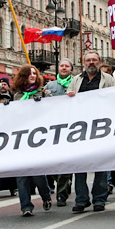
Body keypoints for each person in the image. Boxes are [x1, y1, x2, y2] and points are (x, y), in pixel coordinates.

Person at [66, 51, 115, 213]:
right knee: (79, 165)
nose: (91, 63)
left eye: (94, 60)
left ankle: (99, 198)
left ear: (99, 62)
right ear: (83, 62)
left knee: (100, 164)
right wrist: (69, 96)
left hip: (101, 127)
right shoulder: (76, 80)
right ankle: (81, 199)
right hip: (80, 128)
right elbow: (67, 103)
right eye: (88, 60)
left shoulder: (108, 80)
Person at [13, 65, 52, 216]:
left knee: (37, 173)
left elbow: (52, 108)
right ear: (23, 76)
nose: (33, 76)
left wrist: (43, 100)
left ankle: (46, 195)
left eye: (34, 73)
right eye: (29, 73)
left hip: (38, 138)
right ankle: (26, 206)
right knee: (21, 175)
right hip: (22, 138)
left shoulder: (43, 92)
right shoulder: (17, 95)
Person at [44, 59, 75, 206]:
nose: (63, 68)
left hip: (70, 127)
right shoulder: (50, 85)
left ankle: (61, 193)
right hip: (52, 128)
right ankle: (64, 181)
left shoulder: (76, 83)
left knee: (65, 161)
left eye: (66, 66)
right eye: (62, 65)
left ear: (71, 69)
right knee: (52, 163)